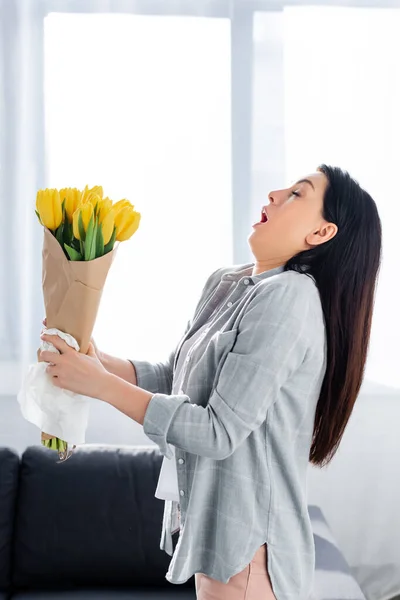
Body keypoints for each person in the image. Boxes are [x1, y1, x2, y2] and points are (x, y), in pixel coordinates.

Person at [40, 164, 382, 600]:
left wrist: (99, 384)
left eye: (298, 194)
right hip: (222, 544)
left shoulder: (290, 297)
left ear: (321, 233)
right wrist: (93, 360)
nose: (275, 194)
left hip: (251, 553)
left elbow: (218, 431)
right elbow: (172, 379)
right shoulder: (228, 283)